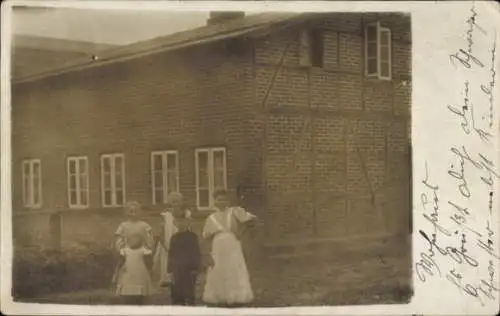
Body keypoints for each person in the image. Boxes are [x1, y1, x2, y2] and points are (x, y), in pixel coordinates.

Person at [202, 189, 257, 307]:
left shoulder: (235, 212)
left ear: (228, 201)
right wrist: (207, 254)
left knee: (234, 267)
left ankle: (237, 296)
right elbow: (206, 237)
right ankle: (219, 296)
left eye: (224, 199)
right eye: (218, 200)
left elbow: (250, 221)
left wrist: (240, 233)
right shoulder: (211, 218)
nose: (221, 202)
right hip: (218, 246)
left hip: (232, 244)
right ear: (215, 202)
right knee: (219, 268)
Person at [112, 202, 154, 294]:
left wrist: (147, 249)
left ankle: (140, 292)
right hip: (128, 252)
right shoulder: (123, 225)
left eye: (136, 211)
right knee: (127, 273)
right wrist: (122, 249)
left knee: (140, 273)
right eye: (131, 211)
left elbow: (149, 240)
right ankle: (127, 292)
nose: (133, 214)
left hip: (140, 252)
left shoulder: (144, 225)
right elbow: (119, 240)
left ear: (139, 212)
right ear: (127, 212)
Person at [152, 192, 193, 288]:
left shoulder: (187, 214)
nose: (176, 204)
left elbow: (189, 228)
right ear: (169, 203)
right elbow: (160, 232)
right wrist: (164, 244)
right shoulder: (165, 215)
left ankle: (181, 277)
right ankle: (167, 278)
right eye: (173, 202)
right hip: (167, 241)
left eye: (178, 202)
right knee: (167, 259)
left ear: (182, 203)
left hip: (182, 241)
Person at [167, 216, 201, 305]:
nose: (180, 224)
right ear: (175, 224)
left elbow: (196, 252)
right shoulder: (174, 237)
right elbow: (171, 254)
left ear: (187, 223)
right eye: (178, 222)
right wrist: (170, 269)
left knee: (189, 292)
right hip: (177, 268)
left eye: (183, 222)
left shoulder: (192, 236)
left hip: (189, 268)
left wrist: (195, 268)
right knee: (177, 292)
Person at [115, 232, 154, 305]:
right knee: (127, 292)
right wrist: (116, 274)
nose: (134, 241)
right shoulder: (125, 251)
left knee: (140, 295)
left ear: (141, 240)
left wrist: (150, 271)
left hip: (141, 274)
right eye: (131, 239)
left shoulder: (144, 251)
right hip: (128, 274)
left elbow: (149, 264)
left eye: (136, 239)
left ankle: (139, 302)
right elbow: (120, 263)